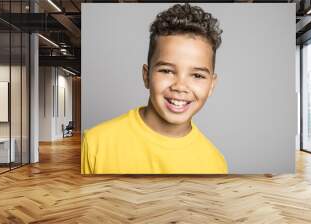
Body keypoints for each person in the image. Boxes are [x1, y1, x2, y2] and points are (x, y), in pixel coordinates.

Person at [81, 3, 228, 174]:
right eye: (167, 71)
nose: (180, 87)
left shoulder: (215, 164)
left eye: (197, 75)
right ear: (146, 75)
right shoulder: (95, 144)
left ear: (211, 85)